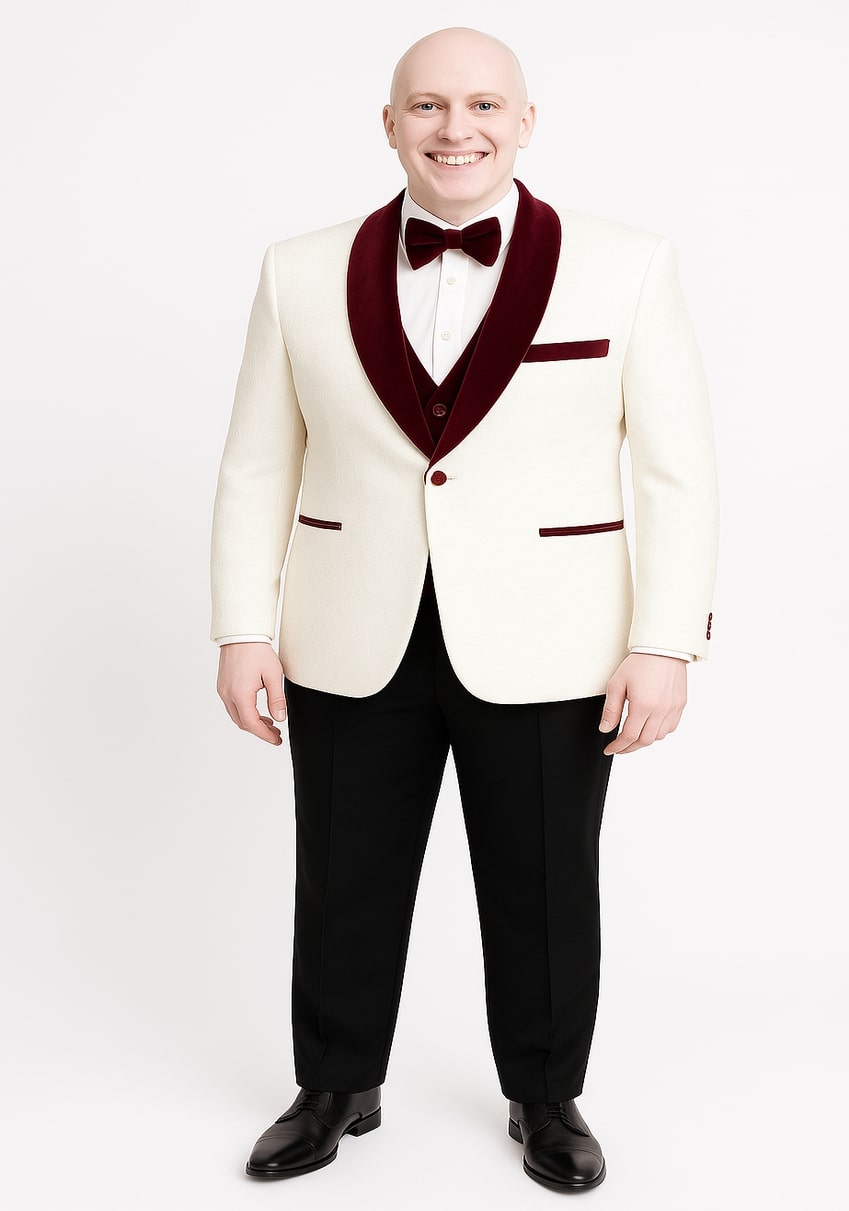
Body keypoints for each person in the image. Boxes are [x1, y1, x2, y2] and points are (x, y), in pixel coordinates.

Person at [209, 25, 719, 1193]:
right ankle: (337, 1082)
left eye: (485, 104)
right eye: (429, 105)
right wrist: (243, 625)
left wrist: (664, 641)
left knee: (545, 880)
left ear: (525, 123)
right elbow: (256, 464)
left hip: (554, 636)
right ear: (390, 124)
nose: (457, 128)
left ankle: (546, 1094)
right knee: (342, 870)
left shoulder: (628, 265)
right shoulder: (298, 270)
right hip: (351, 625)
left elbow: (677, 472)